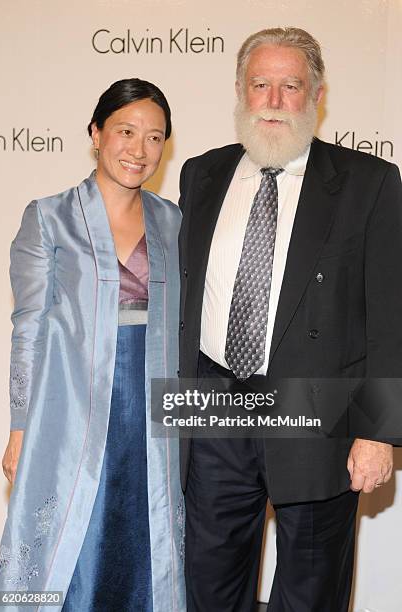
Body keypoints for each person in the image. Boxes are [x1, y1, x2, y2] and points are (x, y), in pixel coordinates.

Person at [178, 27, 402, 612]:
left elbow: (389, 314)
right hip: (212, 409)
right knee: (207, 587)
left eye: (291, 86)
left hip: (318, 417)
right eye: (261, 85)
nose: (274, 101)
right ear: (239, 90)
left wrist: (378, 431)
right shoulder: (201, 175)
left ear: (317, 94)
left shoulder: (368, 183)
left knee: (311, 594)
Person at [0, 79, 186, 611]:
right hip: (71, 406)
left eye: (154, 138)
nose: (139, 149)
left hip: (151, 410)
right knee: (74, 529)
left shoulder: (171, 221)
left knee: (142, 529)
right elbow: (28, 326)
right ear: (96, 134)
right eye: (126, 131)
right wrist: (19, 428)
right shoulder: (48, 217)